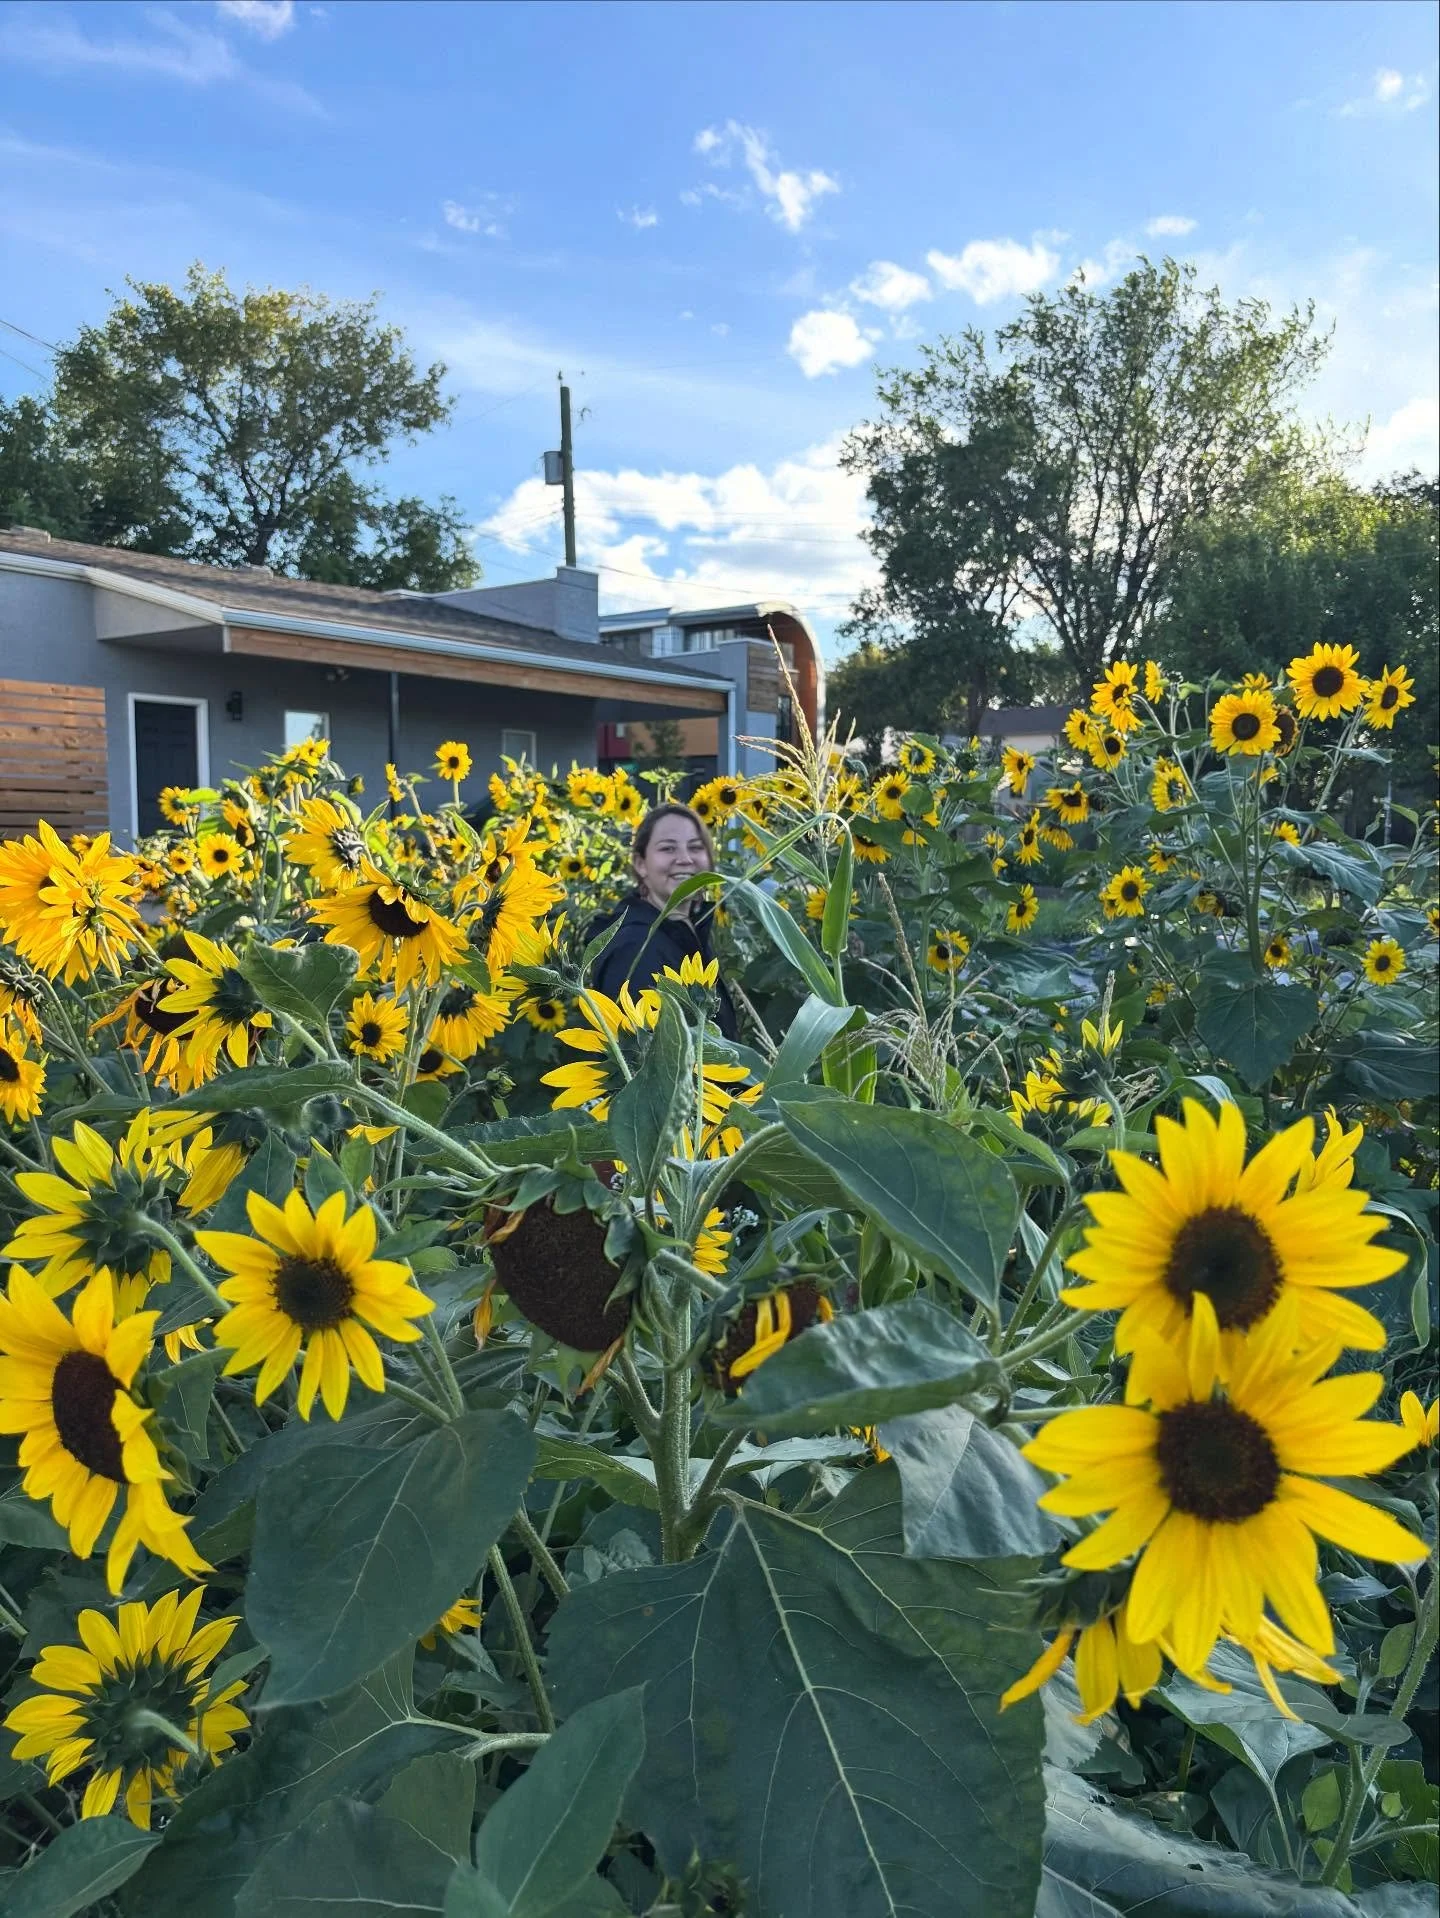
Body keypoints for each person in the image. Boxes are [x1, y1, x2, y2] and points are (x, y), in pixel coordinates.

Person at [590, 802, 739, 1038]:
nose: (685, 859)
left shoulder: (687, 930)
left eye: (696, 847)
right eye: (668, 849)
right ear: (641, 864)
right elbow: (640, 1059)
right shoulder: (635, 948)